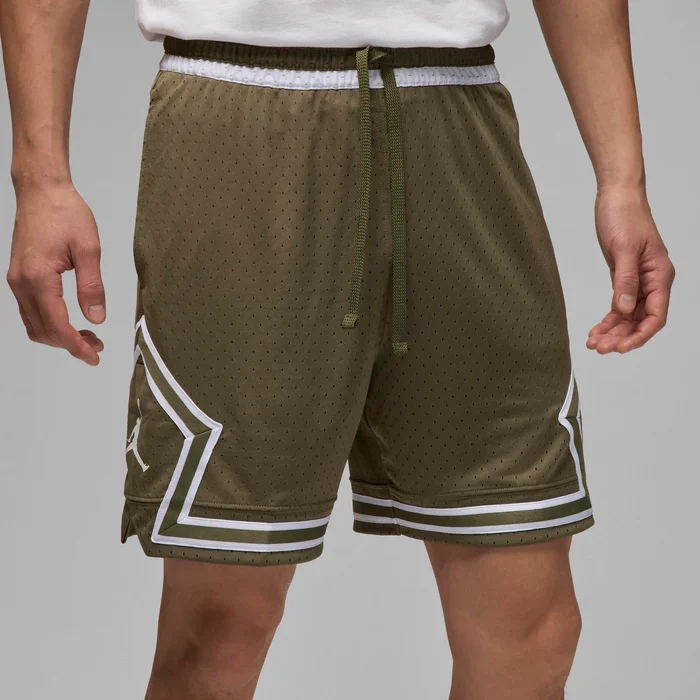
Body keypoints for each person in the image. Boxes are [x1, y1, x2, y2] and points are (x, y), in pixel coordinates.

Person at [0, 0, 675, 698]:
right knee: (218, 629)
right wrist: (40, 178)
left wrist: (623, 180)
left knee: (532, 630)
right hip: (240, 126)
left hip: (461, 126)